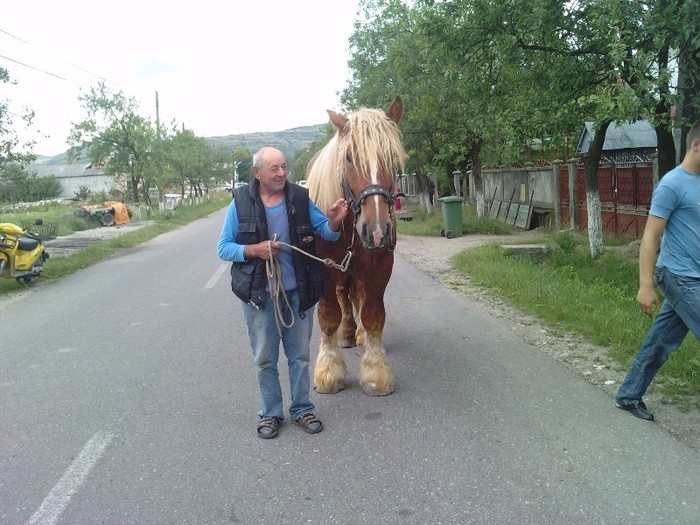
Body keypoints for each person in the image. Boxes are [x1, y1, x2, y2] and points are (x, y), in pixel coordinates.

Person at [218, 147, 348, 439]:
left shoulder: (300, 199)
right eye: (274, 168)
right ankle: (271, 413)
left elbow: (326, 232)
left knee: (300, 356)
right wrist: (254, 250)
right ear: (257, 173)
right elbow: (224, 248)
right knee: (264, 358)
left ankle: (302, 408)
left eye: (284, 167)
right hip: (259, 297)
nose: (281, 174)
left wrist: (335, 221)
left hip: (297, 293)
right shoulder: (239, 203)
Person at [614, 119, 700, 421]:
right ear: (696, 145)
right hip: (677, 275)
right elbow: (650, 236)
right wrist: (645, 284)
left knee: (662, 340)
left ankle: (628, 394)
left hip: (695, 277)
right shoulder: (672, 184)